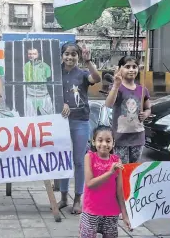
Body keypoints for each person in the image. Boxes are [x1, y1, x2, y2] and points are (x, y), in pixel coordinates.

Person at [58, 42, 101, 214]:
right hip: (60, 122)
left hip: (81, 121)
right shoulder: (55, 73)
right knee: (62, 159)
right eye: (66, 54)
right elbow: (49, 92)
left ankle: (77, 199)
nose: (70, 57)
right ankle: (62, 197)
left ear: (78, 56)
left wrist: (88, 61)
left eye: (73, 54)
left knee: (78, 161)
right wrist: (60, 103)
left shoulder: (83, 74)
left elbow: (96, 79)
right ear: (62, 55)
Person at [80, 125, 131, 238]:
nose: (104, 144)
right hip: (91, 210)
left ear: (113, 143)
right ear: (93, 142)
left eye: (108, 141)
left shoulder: (117, 160)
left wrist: (125, 214)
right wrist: (110, 172)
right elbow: (90, 184)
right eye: (100, 140)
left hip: (111, 211)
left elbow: (119, 192)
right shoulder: (89, 157)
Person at [105, 56, 151, 164]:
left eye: (134, 67)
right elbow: (109, 104)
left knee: (134, 170)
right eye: (127, 67)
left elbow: (148, 108)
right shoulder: (116, 87)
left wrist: (146, 114)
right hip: (120, 139)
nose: (131, 69)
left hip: (138, 138)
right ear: (120, 69)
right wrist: (116, 85)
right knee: (121, 170)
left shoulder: (142, 89)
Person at [23, 47, 54, 116]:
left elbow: (49, 79)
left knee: (49, 117)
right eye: (30, 54)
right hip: (30, 96)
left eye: (34, 54)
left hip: (44, 96)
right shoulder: (25, 66)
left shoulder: (45, 66)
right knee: (30, 119)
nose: (31, 55)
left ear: (38, 54)